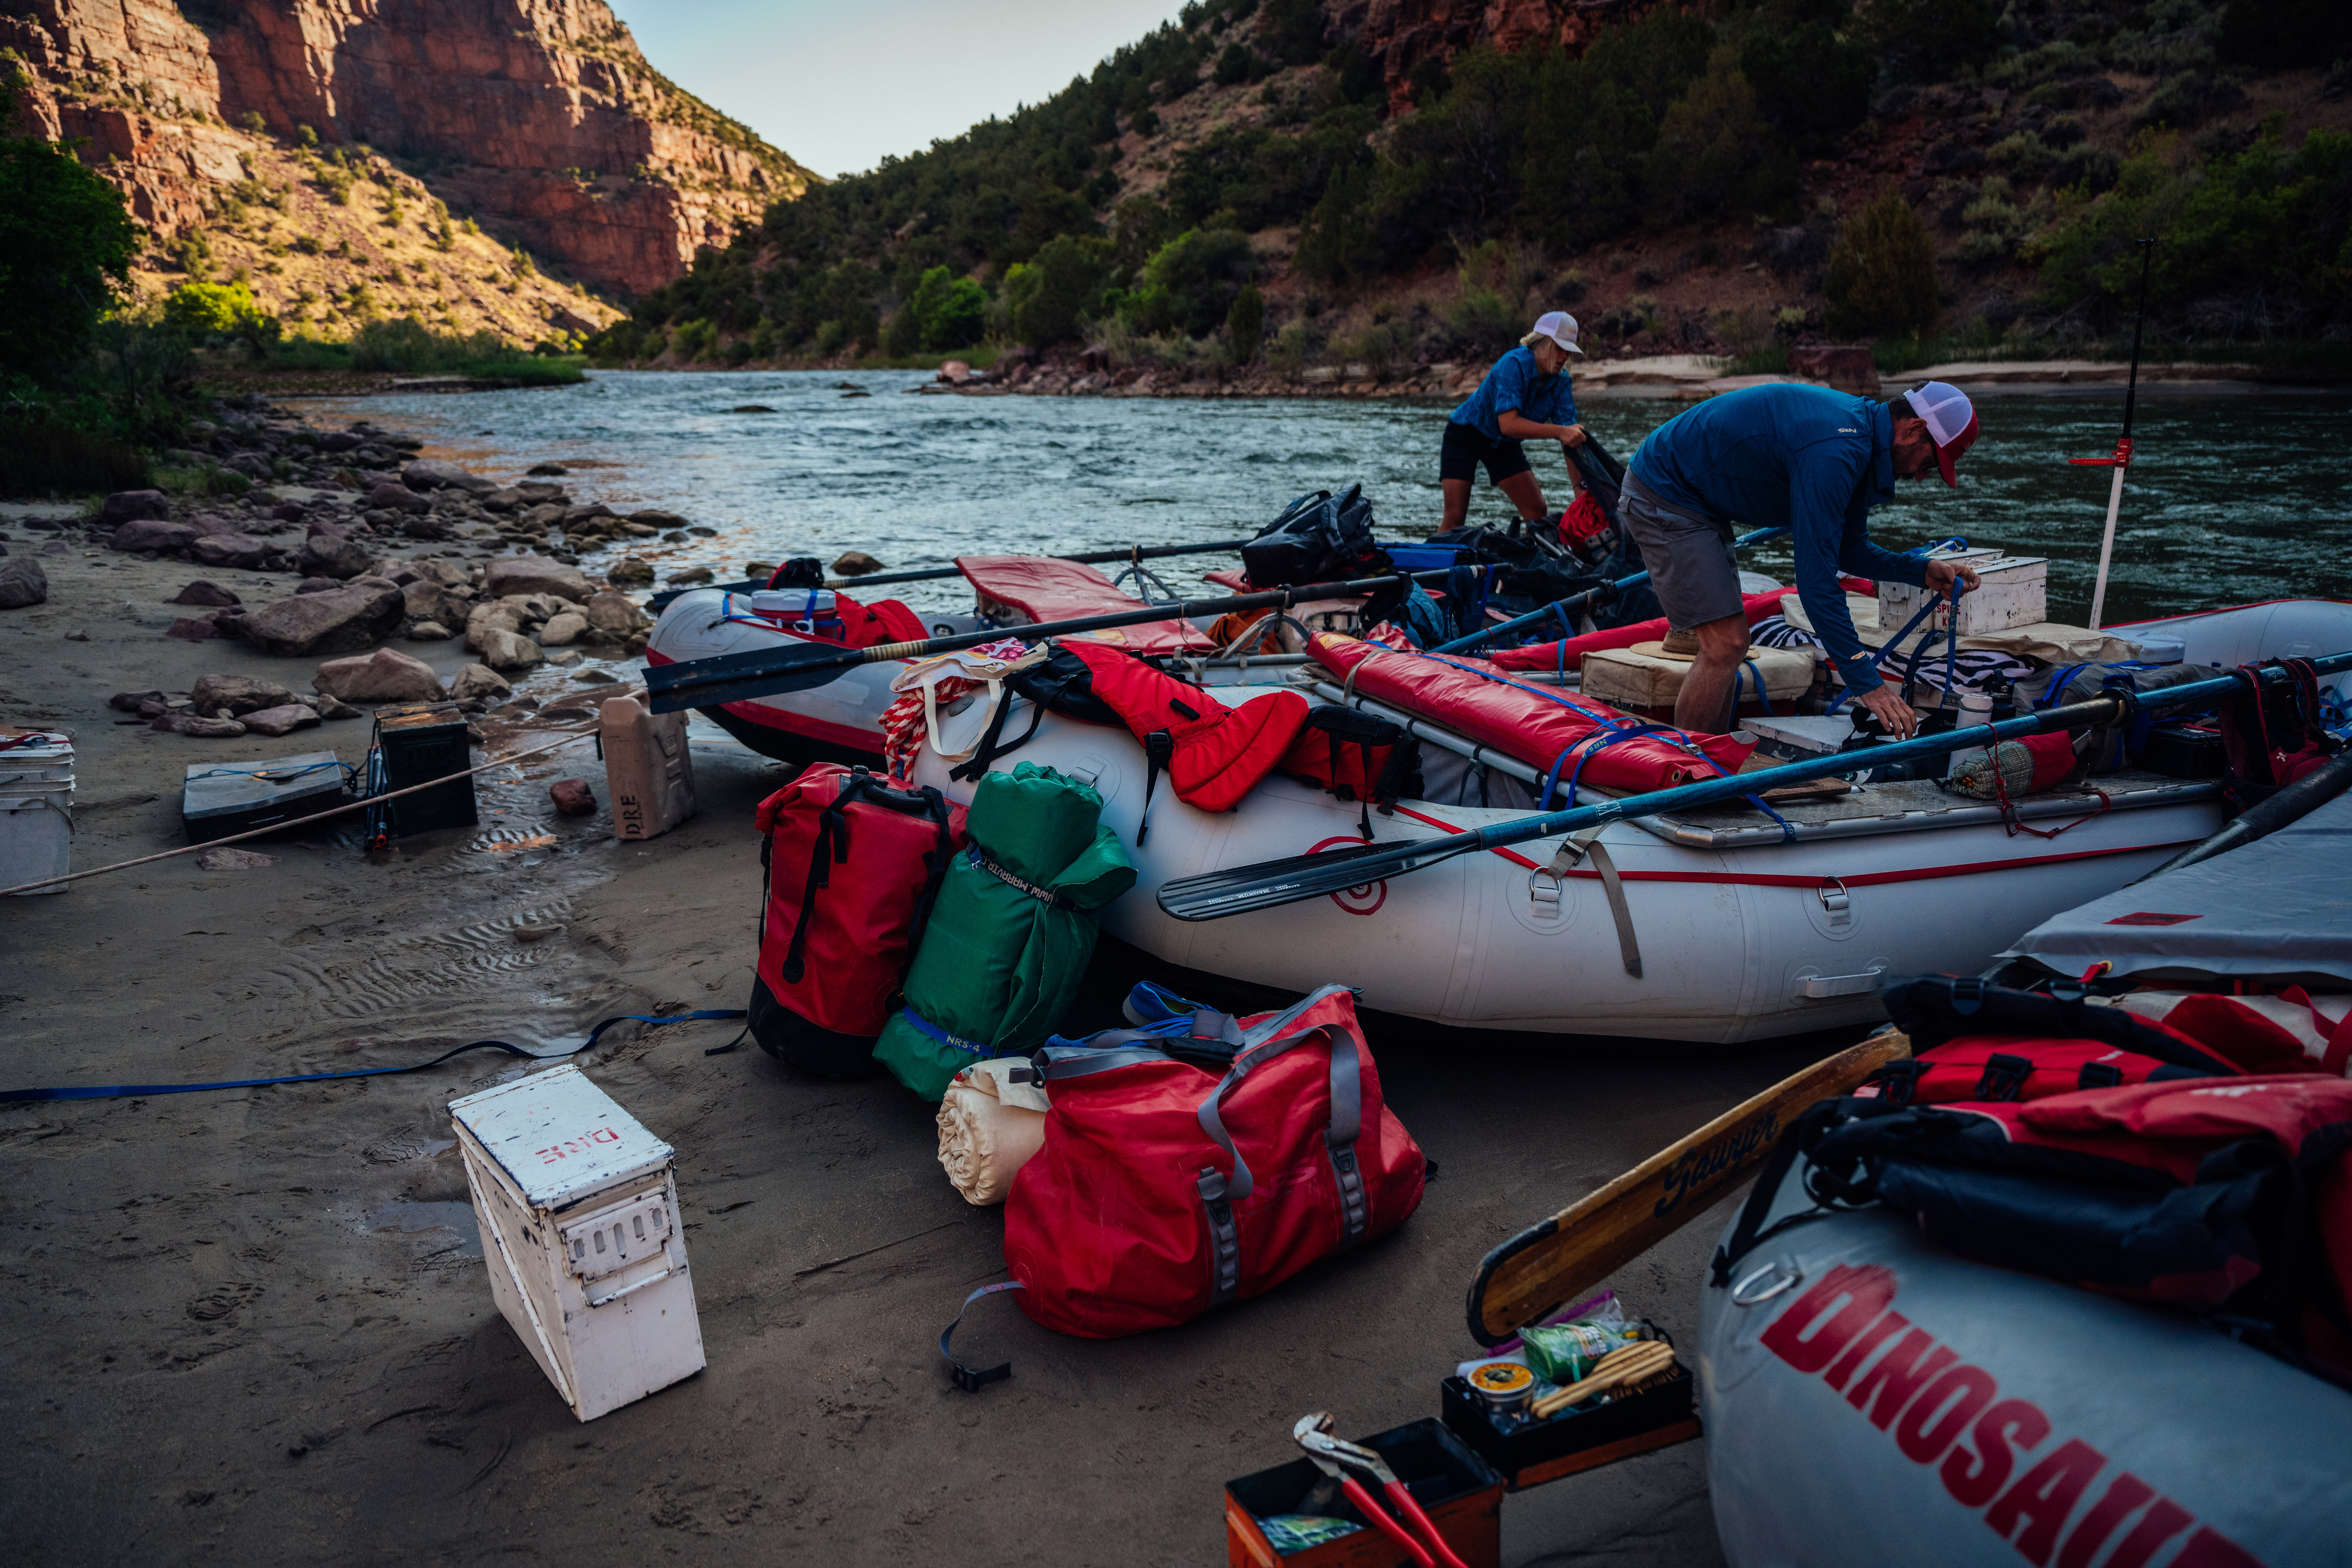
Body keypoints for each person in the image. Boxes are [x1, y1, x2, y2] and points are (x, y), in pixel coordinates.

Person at [1621, 380, 1984, 737]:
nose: (1920, 476)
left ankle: (1710, 758)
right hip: (1666, 490)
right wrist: (1867, 683)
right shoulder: (1836, 451)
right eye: (1930, 462)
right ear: (1914, 428)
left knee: (1731, 645)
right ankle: (1684, 766)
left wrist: (1918, 570)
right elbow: (1816, 583)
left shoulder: (1861, 445)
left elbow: (1847, 549)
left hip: (1703, 500)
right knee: (1725, 644)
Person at [1439, 311, 1589, 532]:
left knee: (1537, 512)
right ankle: (1429, 553)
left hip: (1504, 444)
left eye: (1568, 351)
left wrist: (1579, 489)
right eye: (1559, 349)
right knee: (1455, 518)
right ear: (1540, 344)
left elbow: (1570, 438)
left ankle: (1529, 553)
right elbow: (1509, 424)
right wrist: (1560, 431)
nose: (1564, 357)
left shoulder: (1562, 382)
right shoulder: (1514, 363)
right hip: (1465, 435)